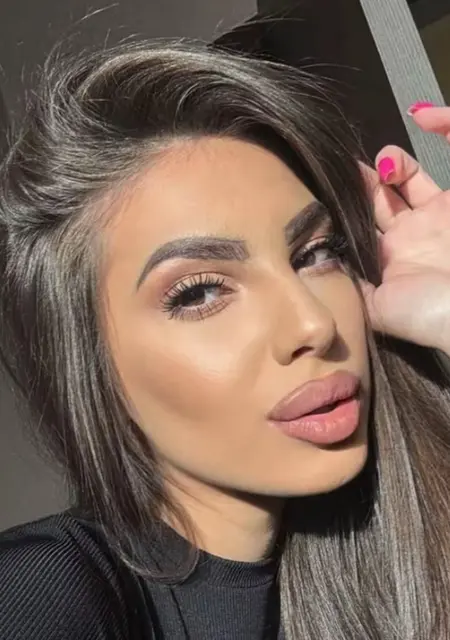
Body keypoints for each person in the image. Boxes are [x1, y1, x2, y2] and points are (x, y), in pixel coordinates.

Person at [0, 38, 449, 640]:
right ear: (87, 365)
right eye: (200, 292)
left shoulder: (396, 538)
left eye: (316, 253)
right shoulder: (43, 589)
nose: (313, 325)